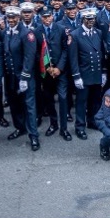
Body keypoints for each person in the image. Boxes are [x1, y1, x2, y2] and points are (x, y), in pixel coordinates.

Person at [1, 6, 40, 152]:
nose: (11, 20)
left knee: (29, 106)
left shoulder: (27, 33)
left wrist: (24, 77)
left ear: (19, 18)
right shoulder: (5, 32)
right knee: (14, 104)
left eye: (13, 18)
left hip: (24, 77)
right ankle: (20, 128)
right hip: (11, 76)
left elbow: (29, 57)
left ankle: (33, 135)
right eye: (8, 18)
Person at [68, 7, 106, 140]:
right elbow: (73, 58)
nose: (91, 21)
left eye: (93, 19)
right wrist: (76, 76)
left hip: (96, 72)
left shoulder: (98, 33)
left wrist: (103, 72)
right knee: (81, 102)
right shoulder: (75, 34)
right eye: (88, 19)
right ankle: (79, 126)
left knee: (95, 100)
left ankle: (92, 121)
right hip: (84, 74)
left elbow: (102, 53)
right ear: (83, 19)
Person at [34, 7, 72, 141]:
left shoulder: (61, 29)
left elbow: (66, 50)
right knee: (48, 98)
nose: (46, 19)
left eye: (48, 16)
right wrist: (46, 67)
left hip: (60, 71)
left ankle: (64, 128)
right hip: (46, 71)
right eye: (44, 17)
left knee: (62, 98)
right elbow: (37, 52)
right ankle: (53, 124)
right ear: (40, 18)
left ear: (52, 17)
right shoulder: (37, 31)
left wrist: (59, 68)